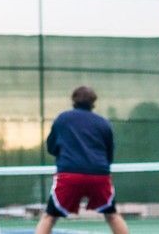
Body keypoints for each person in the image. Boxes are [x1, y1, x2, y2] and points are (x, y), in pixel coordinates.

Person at [35, 86, 128, 234]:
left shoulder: (62, 119)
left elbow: (51, 147)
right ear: (93, 102)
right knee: (112, 215)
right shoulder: (103, 123)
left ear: (73, 100)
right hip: (99, 175)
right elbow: (109, 154)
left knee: (49, 217)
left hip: (70, 175)